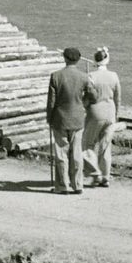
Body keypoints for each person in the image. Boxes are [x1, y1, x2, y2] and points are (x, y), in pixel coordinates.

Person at [46, 47, 89, 194]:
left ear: (64, 58)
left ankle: (62, 186)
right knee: (77, 153)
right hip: (78, 119)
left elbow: (51, 102)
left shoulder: (55, 76)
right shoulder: (84, 76)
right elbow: (94, 95)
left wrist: (49, 118)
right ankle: (78, 185)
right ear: (78, 59)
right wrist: (83, 103)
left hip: (60, 119)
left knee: (61, 153)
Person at [82, 46, 121, 187]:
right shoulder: (114, 76)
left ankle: (94, 172)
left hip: (95, 113)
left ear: (95, 60)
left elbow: (86, 97)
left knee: (88, 145)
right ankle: (106, 177)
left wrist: (85, 107)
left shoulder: (91, 76)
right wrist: (116, 115)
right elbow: (118, 98)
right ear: (107, 60)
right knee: (105, 146)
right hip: (110, 113)